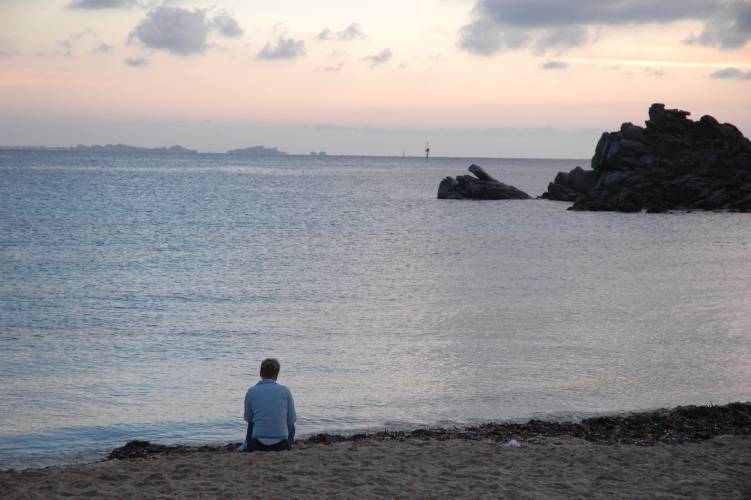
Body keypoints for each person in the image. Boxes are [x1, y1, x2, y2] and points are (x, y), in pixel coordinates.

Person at [243, 358, 296, 452]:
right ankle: (289, 446)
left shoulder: (252, 391)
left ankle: (248, 446)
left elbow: (248, 418)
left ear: (260, 373)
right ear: (276, 374)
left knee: (252, 423)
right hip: (281, 445)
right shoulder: (285, 391)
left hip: (257, 444)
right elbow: (291, 420)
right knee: (291, 425)